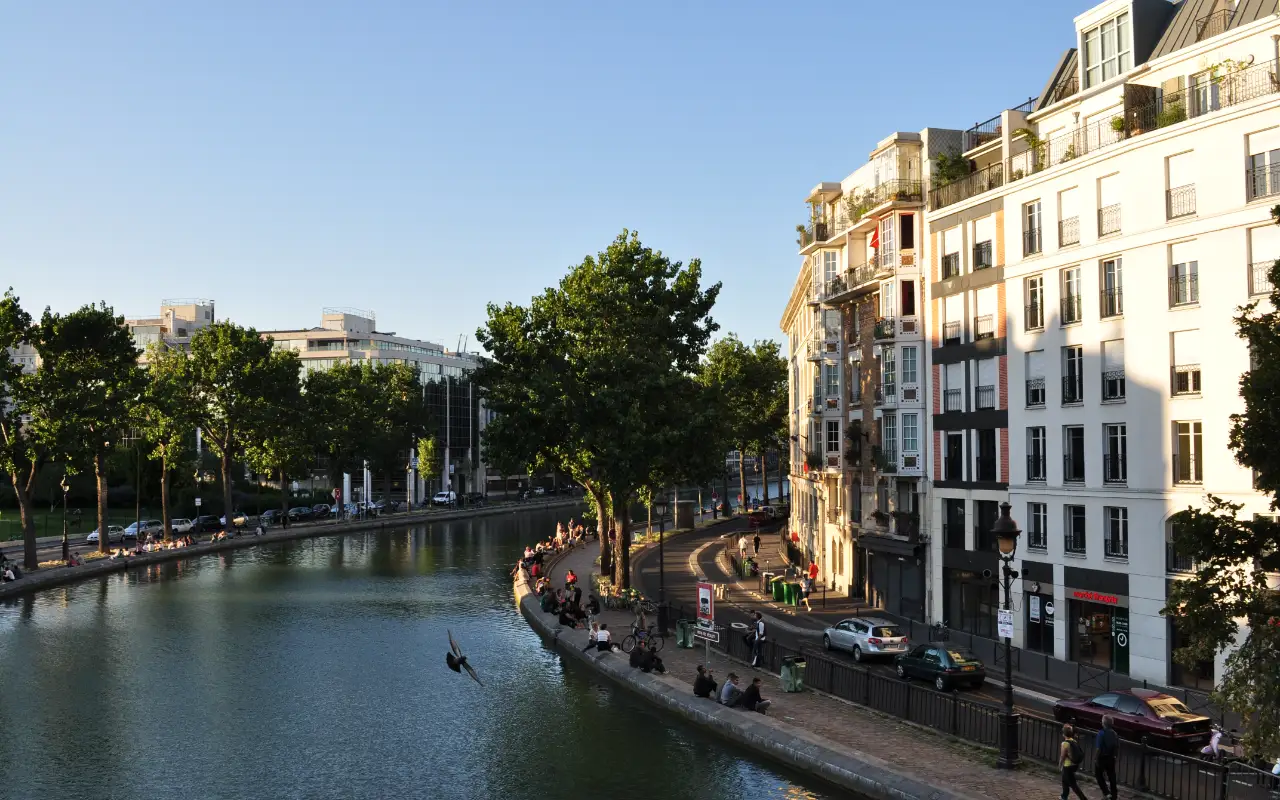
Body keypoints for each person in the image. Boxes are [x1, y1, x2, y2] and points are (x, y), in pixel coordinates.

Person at [1059, 723, 1089, 800]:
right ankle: (1064, 796)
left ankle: (1083, 798)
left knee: (1073, 784)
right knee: (1064, 780)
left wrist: (1060, 765)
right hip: (1074, 765)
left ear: (1063, 734)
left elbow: (1062, 756)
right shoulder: (1073, 741)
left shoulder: (1064, 744)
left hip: (1068, 765)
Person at [1094, 715, 1118, 800]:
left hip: (1102, 758)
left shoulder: (1101, 733)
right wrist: (1115, 757)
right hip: (1111, 758)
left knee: (1098, 775)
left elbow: (1098, 748)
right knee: (1112, 776)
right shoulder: (1114, 733)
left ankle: (1106, 793)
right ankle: (1114, 795)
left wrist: (1096, 758)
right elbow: (1116, 746)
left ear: (1103, 723)